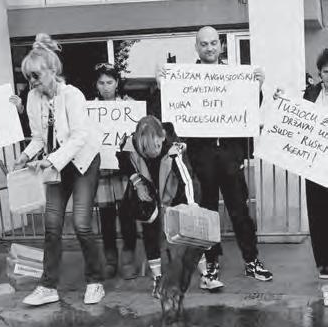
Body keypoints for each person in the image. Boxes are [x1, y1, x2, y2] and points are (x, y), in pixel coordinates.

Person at [158, 26, 272, 291]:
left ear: (221, 45)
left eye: (213, 43)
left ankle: (251, 260)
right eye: (204, 44)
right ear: (196, 48)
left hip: (230, 156)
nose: (209, 48)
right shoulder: (185, 79)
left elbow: (249, 110)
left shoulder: (235, 76)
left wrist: (257, 87)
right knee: (206, 214)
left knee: (240, 212)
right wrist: (162, 85)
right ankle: (211, 264)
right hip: (202, 157)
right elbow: (170, 113)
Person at [13, 33, 104, 306]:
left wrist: (50, 161)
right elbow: (38, 138)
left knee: (81, 224)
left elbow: (79, 137)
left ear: (52, 71)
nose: (32, 81)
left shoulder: (72, 95)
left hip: (83, 162)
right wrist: (25, 156)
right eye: (28, 77)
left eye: (36, 75)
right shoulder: (32, 98)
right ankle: (48, 286)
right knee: (51, 226)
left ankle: (95, 281)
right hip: (56, 164)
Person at [124, 116, 202, 309]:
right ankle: (157, 278)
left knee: (184, 231)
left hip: (174, 193)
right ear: (139, 142)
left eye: (157, 146)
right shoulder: (129, 145)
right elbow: (123, 161)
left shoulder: (173, 148)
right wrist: (136, 182)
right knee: (150, 230)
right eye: (146, 148)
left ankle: (203, 270)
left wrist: (192, 204)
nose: (154, 151)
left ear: (163, 137)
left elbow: (186, 178)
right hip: (149, 194)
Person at [92, 63, 138, 279]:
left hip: (123, 170)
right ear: (96, 85)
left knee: (127, 216)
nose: (106, 87)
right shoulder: (90, 109)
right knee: (106, 218)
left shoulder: (127, 106)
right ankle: (110, 259)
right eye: (101, 82)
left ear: (117, 83)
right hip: (102, 171)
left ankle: (129, 258)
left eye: (109, 82)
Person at [303, 48, 328, 305]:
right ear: (319, 73)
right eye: (326, 71)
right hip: (314, 166)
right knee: (319, 215)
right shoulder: (310, 94)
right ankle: (324, 264)